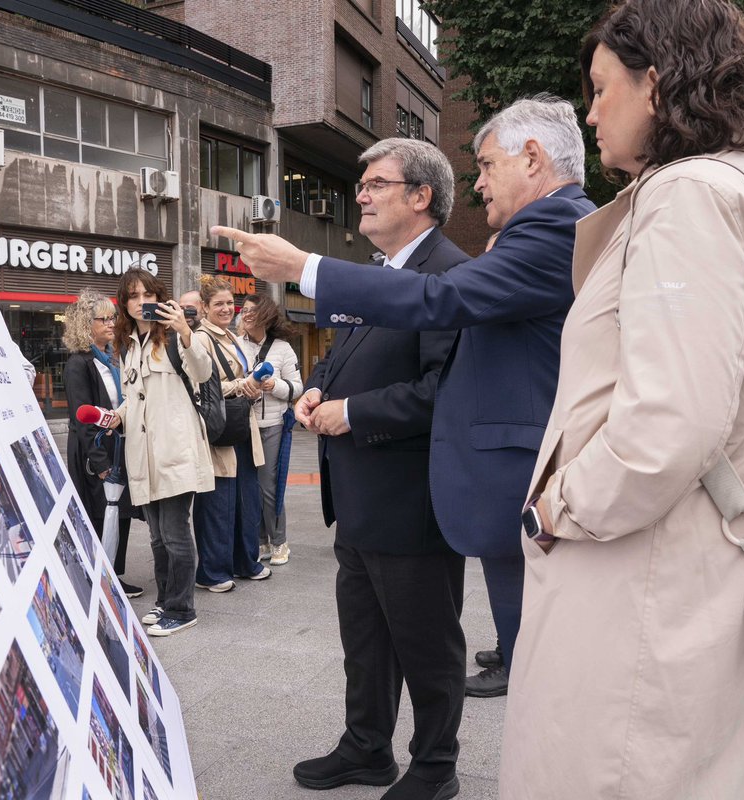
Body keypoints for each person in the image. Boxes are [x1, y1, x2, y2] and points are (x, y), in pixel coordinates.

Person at [503, 1, 744, 796]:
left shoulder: (690, 196)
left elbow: (668, 423)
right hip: (702, 566)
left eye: (600, 87)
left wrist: (557, 507)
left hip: (643, 577)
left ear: (655, 83)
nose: (590, 112)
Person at [211, 95, 595, 699]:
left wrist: (304, 267)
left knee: (533, 682)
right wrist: (320, 387)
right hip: (412, 495)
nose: (479, 185)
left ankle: (438, 751)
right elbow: (351, 352)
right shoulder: (521, 235)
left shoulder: (550, 228)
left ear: (531, 157)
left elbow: (438, 307)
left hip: (472, 492)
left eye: (487, 166)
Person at [283, 138, 465, 800]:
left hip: (411, 503)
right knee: (365, 640)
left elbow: (445, 389)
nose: (360, 194)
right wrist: (315, 388)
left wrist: (353, 412)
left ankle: (435, 766)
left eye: (377, 183)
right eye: (361, 183)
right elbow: (339, 358)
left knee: (427, 644)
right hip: (358, 499)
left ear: (421, 196)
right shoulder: (379, 271)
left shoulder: (449, 275)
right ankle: (366, 747)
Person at [106, 269, 214, 636]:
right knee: (156, 536)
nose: (141, 302)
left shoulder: (171, 336)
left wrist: (185, 331)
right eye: (133, 296)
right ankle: (166, 600)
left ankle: (182, 610)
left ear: (158, 297)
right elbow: (132, 397)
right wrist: (117, 416)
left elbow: (202, 372)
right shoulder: (127, 344)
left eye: (147, 295)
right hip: (143, 454)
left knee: (174, 533)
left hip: (174, 449)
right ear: (125, 304)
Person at [192, 276, 272, 591]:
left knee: (245, 499)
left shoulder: (231, 336)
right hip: (219, 428)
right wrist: (243, 384)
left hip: (240, 425)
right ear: (204, 307)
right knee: (218, 502)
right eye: (219, 304)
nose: (227, 308)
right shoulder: (200, 339)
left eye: (229, 303)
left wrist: (254, 384)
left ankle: (244, 562)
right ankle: (212, 571)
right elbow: (201, 388)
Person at [62, 289, 142, 597]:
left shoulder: (112, 358)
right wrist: (100, 463)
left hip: (118, 446)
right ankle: (97, 575)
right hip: (95, 452)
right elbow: (81, 417)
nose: (111, 323)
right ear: (86, 324)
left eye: (113, 318)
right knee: (99, 514)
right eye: (103, 319)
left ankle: (113, 575)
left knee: (119, 512)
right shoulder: (78, 363)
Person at [238, 293, 304, 565]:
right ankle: (261, 541)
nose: (246, 314)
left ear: (265, 315)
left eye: (252, 310)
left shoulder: (283, 348)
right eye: (244, 310)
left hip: (273, 426)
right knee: (251, 488)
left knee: (268, 486)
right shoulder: (235, 345)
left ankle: (279, 543)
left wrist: (274, 385)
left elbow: (297, 388)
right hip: (245, 425)